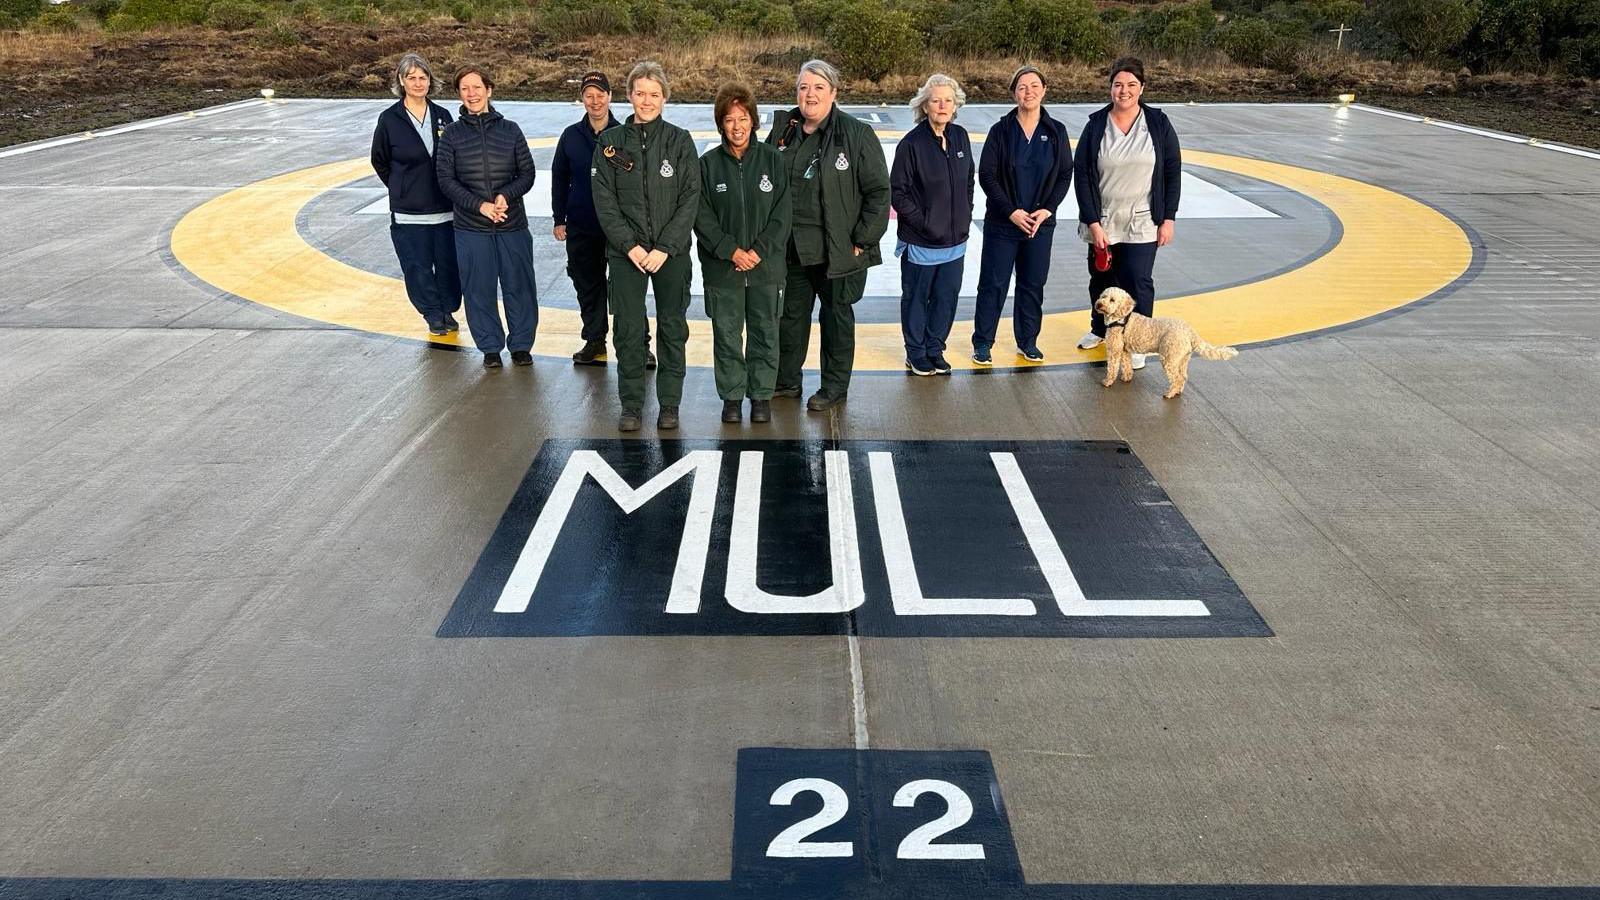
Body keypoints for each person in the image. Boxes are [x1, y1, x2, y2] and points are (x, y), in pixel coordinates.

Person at [766, 59, 891, 412]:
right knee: (790, 318)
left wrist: (862, 239)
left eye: (819, 87)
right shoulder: (782, 131)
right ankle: (786, 382)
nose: (810, 94)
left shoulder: (856, 134)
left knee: (836, 319)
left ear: (834, 93)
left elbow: (880, 192)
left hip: (839, 250)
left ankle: (834, 387)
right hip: (792, 249)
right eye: (804, 87)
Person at [592, 61, 701, 431]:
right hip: (627, 256)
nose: (647, 101)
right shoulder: (609, 144)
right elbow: (605, 203)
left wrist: (665, 247)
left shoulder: (680, 140)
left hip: (670, 254)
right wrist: (632, 248)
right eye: (640, 93)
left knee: (673, 327)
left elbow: (690, 198)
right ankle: (632, 405)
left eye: (654, 94)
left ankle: (669, 403)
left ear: (665, 98)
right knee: (628, 329)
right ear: (629, 96)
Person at [1074, 57, 1181, 373]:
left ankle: (1138, 341)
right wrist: (1093, 222)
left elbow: (1172, 171)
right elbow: (1082, 175)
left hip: (1143, 217)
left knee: (1137, 280)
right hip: (1103, 217)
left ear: (1142, 88)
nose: (1124, 90)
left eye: (1132, 85)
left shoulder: (1158, 124)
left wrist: (1169, 218)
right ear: (1110, 88)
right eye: (1118, 84)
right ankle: (1099, 329)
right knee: (1102, 279)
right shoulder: (1096, 125)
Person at [695, 82, 791, 424]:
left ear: (753, 120)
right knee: (727, 335)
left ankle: (761, 395)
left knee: (766, 333)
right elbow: (701, 216)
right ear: (721, 124)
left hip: (766, 269)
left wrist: (758, 252)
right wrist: (731, 251)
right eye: (729, 119)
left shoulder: (773, 161)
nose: (737, 126)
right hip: (724, 270)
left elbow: (783, 214)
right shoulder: (706, 166)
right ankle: (732, 397)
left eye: (743, 118)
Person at [435, 65, 538, 369]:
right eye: (465, 89)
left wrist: (506, 196)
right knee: (478, 288)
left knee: (519, 286)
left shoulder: (511, 130)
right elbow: (446, 180)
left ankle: (521, 345)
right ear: (460, 94)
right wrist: (480, 206)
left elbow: (527, 173)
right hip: (471, 228)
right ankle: (490, 347)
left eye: (477, 87)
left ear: (489, 90)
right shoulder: (451, 135)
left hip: (512, 224)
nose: (472, 94)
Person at [969, 65, 1073, 365]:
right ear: (1014, 92)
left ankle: (1028, 341)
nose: (1028, 91)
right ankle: (983, 342)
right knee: (993, 284)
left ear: (1044, 90)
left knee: (1032, 284)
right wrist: (1011, 211)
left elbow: (1065, 173)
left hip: (1039, 226)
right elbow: (987, 175)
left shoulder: (1056, 132)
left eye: (1034, 86)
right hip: (1003, 223)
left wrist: (1047, 209)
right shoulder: (1000, 131)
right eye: (1022, 87)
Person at [551, 71, 655, 369]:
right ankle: (594, 340)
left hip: (620, 230)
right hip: (583, 226)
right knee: (588, 286)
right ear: (582, 99)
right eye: (589, 95)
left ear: (611, 97)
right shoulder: (571, 136)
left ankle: (640, 345)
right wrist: (560, 218)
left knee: (627, 290)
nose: (595, 101)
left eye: (600, 94)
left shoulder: (625, 135)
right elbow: (560, 178)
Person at [369, 53, 461, 337]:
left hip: (445, 210)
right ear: (401, 80)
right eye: (412, 77)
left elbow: (453, 159)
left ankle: (447, 309)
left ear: (430, 81)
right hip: (409, 212)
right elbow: (380, 160)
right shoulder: (389, 120)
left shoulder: (443, 116)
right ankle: (432, 313)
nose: (418, 83)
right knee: (417, 266)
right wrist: (401, 185)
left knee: (448, 264)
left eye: (423, 77)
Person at [891, 73, 973, 376]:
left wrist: (965, 214)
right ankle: (916, 352)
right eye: (935, 100)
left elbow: (968, 181)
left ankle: (935, 348)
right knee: (916, 299)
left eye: (948, 101)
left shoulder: (961, 137)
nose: (942, 106)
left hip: (955, 241)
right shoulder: (911, 145)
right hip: (922, 242)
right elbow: (897, 193)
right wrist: (925, 224)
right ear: (924, 106)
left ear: (955, 106)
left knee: (945, 298)